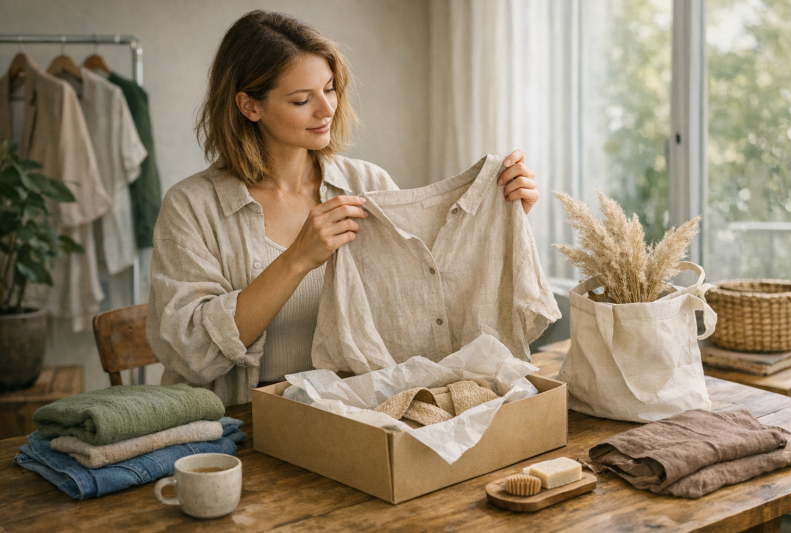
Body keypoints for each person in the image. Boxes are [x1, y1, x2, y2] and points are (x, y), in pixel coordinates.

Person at [146, 10, 541, 406]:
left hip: (349, 423)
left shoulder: (368, 186)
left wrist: (500, 223)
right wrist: (297, 259)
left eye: (330, 89)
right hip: (238, 433)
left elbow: (429, 310)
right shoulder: (191, 207)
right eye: (302, 99)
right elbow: (191, 352)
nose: (326, 110)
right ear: (250, 106)